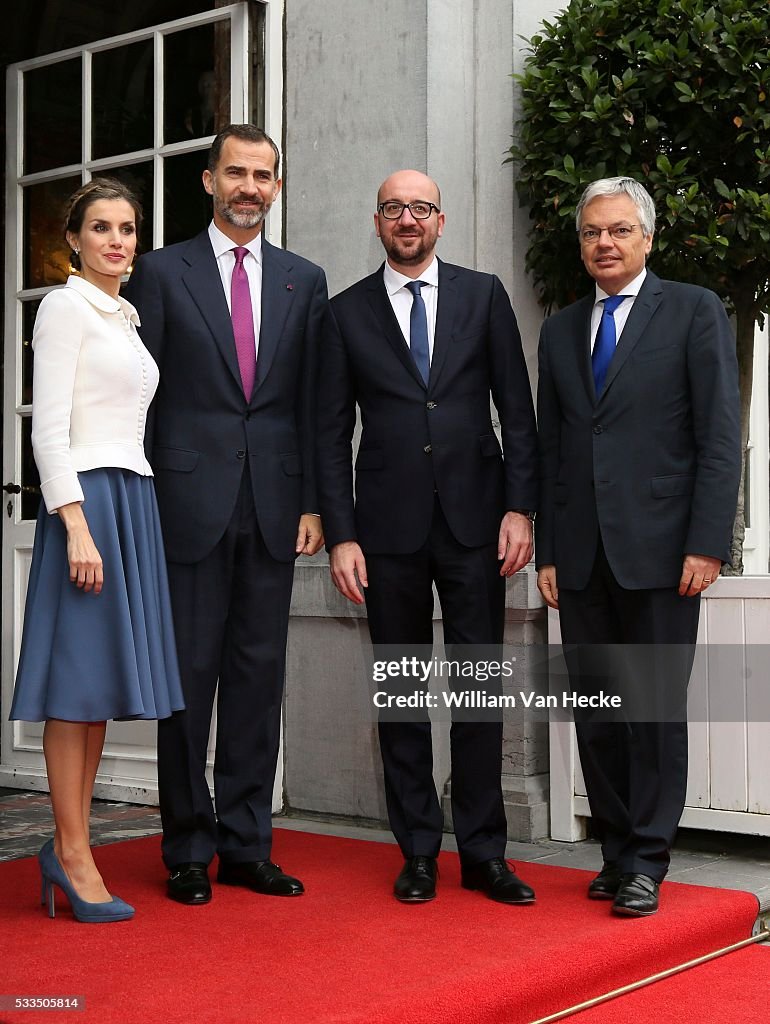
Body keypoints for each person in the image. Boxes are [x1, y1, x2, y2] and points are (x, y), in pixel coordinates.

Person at [316, 170, 539, 904]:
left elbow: (518, 409)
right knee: (403, 692)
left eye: (419, 208)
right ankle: (417, 849)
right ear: (377, 221)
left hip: (478, 525)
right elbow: (328, 432)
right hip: (385, 531)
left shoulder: (483, 296)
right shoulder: (345, 312)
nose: (406, 219)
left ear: (439, 219)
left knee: (478, 690)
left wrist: (520, 508)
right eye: (392, 209)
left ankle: (483, 852)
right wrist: (342, 534)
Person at [124, 124, 327, 906]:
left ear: (276, 187)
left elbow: (313, 401)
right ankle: (186, 847)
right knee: (188, 680)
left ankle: (247, 846)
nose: (250, 187)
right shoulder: (161, 272)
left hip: (274, 507)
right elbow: (141, 393)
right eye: (236, 173)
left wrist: (312, 498)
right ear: (208, 181)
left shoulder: (300, 280)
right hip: (183, 505)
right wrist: (137, 501)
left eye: (264, 175)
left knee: (256, 679)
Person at [536, 176, 741, 916]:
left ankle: (650, 857)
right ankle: (615, 849)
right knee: (597, 707)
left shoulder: (692, 311)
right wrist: (552, 552)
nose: (604, 244)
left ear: (648, 238)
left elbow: (718, 436)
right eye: (593, 232)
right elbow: (552, 449)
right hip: (582, 555)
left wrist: (707, 540)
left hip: (663, 553)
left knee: (651, 708)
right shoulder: (559, 331)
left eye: (620, 230)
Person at [10, 178, 184, 923]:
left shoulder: (123, 315)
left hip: (130, 499)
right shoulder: (64, 308)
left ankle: (69, 846)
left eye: (128, 228)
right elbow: (47, 428)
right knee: (76, 684)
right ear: (74, 239)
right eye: (102, 228)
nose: (118, 240)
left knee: (101, 687)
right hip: (86, 504)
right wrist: (75, 524)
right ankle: (73, 851)